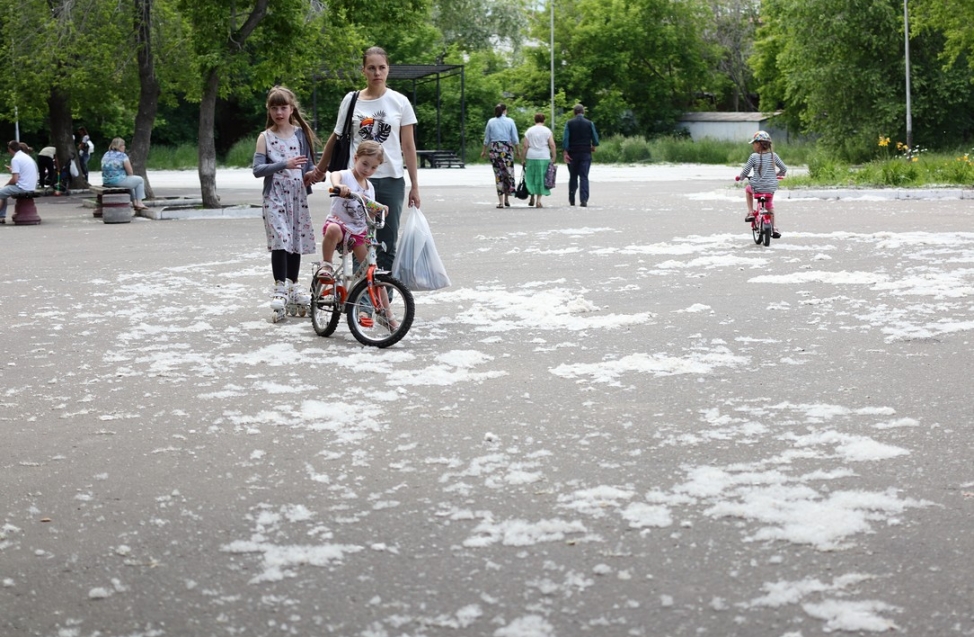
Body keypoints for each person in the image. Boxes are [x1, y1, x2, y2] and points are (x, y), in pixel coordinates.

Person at [310, 46, 421, 277]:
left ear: (388, 69)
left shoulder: (400, 102)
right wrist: (321, 169)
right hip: (356, 182)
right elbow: (336, 136)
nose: (377, 73)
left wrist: (415, 186)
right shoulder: (351, 101)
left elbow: (408, 147)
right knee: (356, 240)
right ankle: (362, 304)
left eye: (381, 67)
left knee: (386, 242)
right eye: (371, 68)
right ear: (364, 71)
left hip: (391, 179)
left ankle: (383, 301)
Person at [252, 85, 319, 316]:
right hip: (275, 195)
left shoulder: (301, 134)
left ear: (291, 109)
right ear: (269, 110)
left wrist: (313, 175)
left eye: (283, 107)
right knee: (281, 238)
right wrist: (284, 164)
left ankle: (293, 284)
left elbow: (308, 166)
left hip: (297, 194)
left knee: (295, 239)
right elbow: (257, 170)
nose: (279, 112)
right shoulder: (265, 137)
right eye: (274, 108)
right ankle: (279, 287)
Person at [319, 140, 397, 329]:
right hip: (339, 224)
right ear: (355, 158)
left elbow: (369, 212)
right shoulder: (346, 176)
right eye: (364, 164)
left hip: (358, 232)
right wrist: (340, 187)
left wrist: (378, 210)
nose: (367, 170)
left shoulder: (370, 188)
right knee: (333, 230)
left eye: (373, 167)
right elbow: (335, 175)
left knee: (374, 271)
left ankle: (387, 314)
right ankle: (327, 265)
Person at [738, 130, 787, 238]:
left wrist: (740, 177)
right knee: (769, 206)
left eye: (753, 144)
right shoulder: (774, 156)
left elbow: (746, 171)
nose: (753, 146)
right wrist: (777, 174)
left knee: (747, 190)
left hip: (757, 187)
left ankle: (751, 212)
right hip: (771, 187)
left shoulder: (753, 157)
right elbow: (784, 168)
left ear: (758, 144)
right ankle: (774, 228)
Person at [481, 103, 520, 208]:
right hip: (507, 149)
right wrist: (517, 151)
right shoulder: (510, 121)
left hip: (495, 149)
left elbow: (487, 138)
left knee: (498, 175)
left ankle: (501, 202)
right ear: (504, 111)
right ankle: (507, 198)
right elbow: (515, 138)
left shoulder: (491, 121)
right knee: (508, 173)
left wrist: (484, 151)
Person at [562, 103, 599, 207]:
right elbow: (595, 139)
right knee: (584, 176)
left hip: (572, 153)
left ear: (574, 112)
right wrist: (593, 145)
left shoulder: (569, 123)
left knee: (573, 176)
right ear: (583, 112)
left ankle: (572, 199)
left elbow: (566, 139)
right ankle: (584, 199)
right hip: (585, 152)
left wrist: (565, 151)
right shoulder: (589, 123)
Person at [101, 138, 149, 211]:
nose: (124, 147)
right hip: (117, 181)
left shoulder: (106, 154)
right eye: (123, 145)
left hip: (106, 182)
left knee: (130, 182)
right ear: (119, 146)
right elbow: (130, 172)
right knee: (139, 180)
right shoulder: (122, 156)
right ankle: (139, 202)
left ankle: (135, 203)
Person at [521, 113, 556, 208]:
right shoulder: (547, 131)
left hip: (531, 156)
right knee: (541, 178)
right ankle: (538, 201)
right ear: (544, 120)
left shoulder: (529, 131)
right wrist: (554, 156)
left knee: (531, 177)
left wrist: (523, 158)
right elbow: (552, 145)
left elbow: (525, 146)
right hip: (543, 156)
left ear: (534, 120)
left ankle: (531, 196)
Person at [0, 140, 39, 224]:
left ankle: (1, 216)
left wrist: (6, 185)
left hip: (22, 187)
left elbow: (15, 180)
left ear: (10, 149)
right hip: (30, 186)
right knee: (3, 193)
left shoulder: (16, 159)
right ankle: (1, 217)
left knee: (1, 192)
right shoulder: (26, 157)